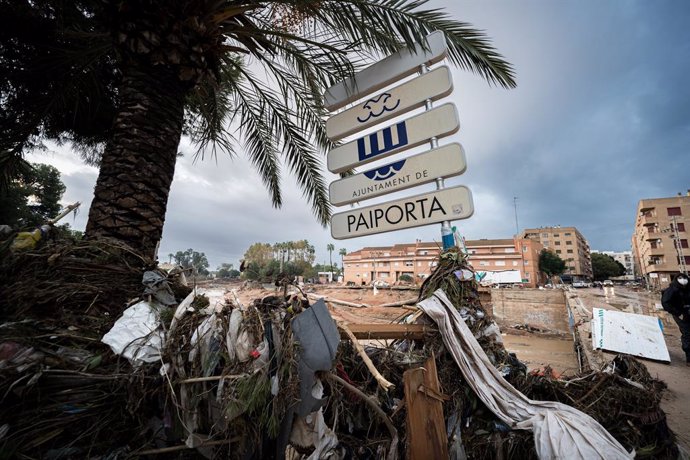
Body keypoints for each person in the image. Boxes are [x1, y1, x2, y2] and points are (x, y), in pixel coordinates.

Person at [661, 273, 690, 365]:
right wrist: (678, 313)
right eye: (680, 278)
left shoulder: (688, 288)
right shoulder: (672, 289)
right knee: (687, 333)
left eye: (685, 278)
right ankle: (689, 357)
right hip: (680, 314)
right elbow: (666, 303)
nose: (683, 280)